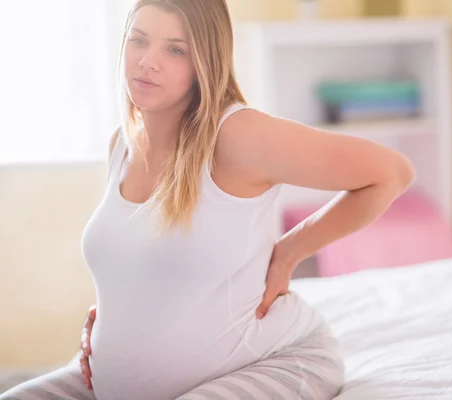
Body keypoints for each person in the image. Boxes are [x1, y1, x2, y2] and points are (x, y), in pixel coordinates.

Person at [1, 0, 415, 399]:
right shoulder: (121, 145)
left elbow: (391, 174)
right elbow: (150, 258)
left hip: (279, 361)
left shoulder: (238, 136)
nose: (148, 60)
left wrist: (290, 251)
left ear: (205, 62)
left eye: (175, 49)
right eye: (139, 39)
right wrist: (115, 313)